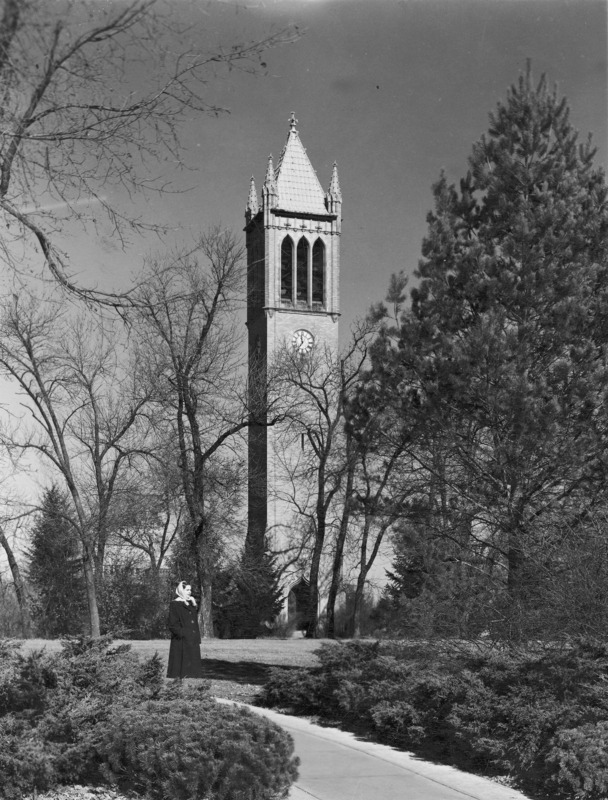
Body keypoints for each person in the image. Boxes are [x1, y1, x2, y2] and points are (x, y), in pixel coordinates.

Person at [166, 581, 204, 679]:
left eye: (190, 590)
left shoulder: (190, 603)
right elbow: (172, 624)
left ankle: (193, 674)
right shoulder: (175, 604)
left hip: (192, 636)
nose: (189, 592)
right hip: (182, 639)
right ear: (181, 590)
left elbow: (194, 620)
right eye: (187, 590)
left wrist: (194, 603)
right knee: (181, 663)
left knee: (193, 661)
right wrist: (182, 634)